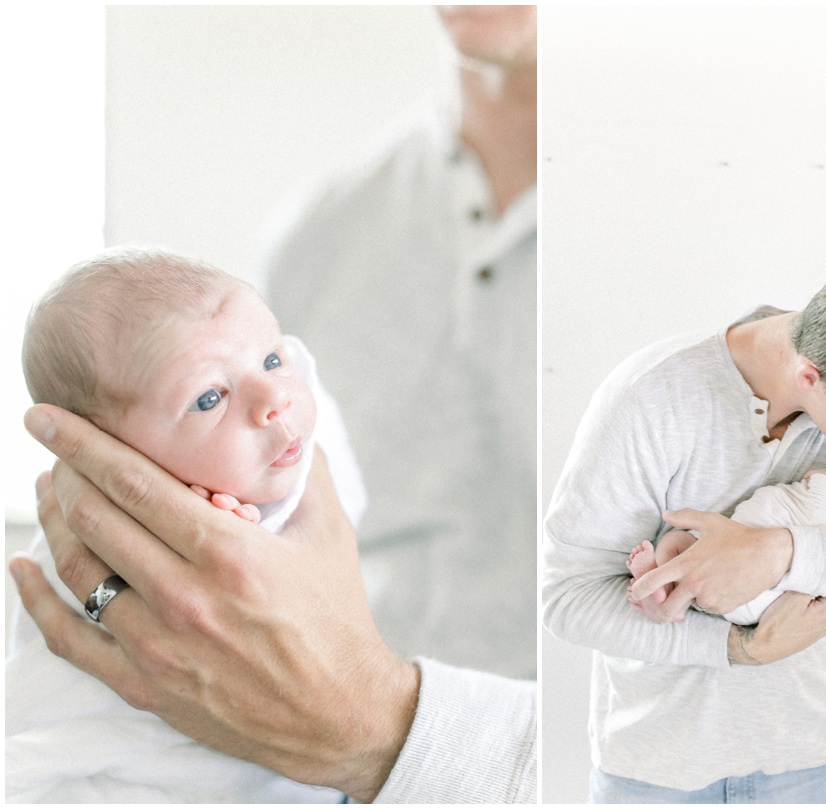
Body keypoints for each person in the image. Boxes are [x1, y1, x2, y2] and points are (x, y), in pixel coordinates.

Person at [9, 6, 537, 803]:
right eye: (218, 391)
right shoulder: (323, 231)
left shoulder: (722, 210)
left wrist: (376, 726)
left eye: (269, 362)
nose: (272, 395)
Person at [543, 267, 826, 803]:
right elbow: (568, 599)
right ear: (811, 377)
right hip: (662, 773)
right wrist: (740, 647)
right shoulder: (653, 397)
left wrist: (778, 552)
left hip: (816, 762)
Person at [9, 247, 367, 802]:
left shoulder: (294, 455)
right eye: (209, 398)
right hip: (127, 776)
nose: (275, 398)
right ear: (111, 456)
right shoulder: (96, 520)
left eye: (272, 360)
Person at [627, 444, 826, 625]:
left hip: (751, 591)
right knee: (684, 548)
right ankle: (666, 594)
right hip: (745, 582)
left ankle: (662, 586)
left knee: (677, 542)